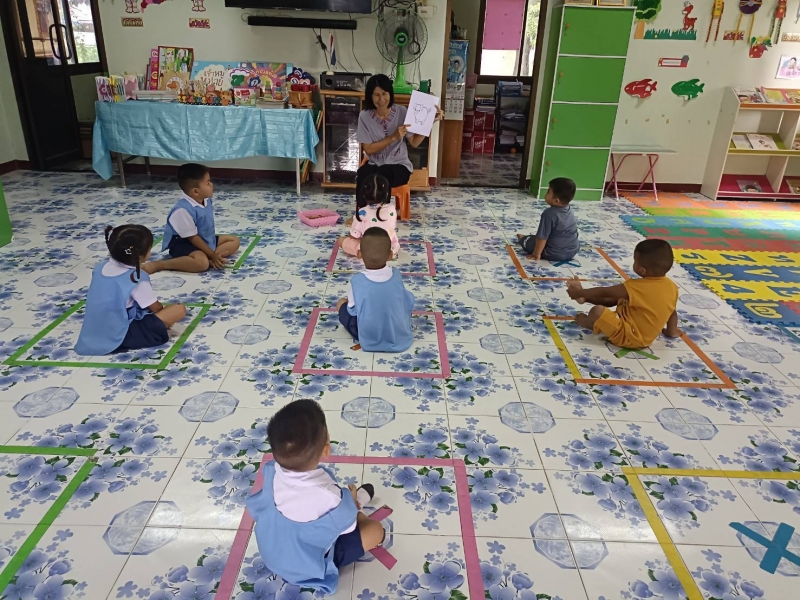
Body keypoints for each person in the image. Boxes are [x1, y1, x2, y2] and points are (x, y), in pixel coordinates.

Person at [246, 399, 384, 593]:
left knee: (340, 512)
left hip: (272, 554)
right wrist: (350, 500)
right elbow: (346, 527)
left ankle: (354, 502)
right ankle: (358, 501)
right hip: (306, 567)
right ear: (326, 449)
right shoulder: (330, 497)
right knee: (375, 530)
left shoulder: (271, 470)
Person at [75, 225, 187, 356]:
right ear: (140, 255)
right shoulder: (135, 278)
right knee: (178, 309)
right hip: (122, 334)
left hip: (94, 330)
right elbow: (156, 308)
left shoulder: (100, 268)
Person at [566, 239, 682, 349]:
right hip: (643, 336)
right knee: (620, 299)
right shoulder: (671, 287)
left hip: (629, 336)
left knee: (597, 311)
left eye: (635, 261)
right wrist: (671, 331)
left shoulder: (637, 286)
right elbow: (672, 312)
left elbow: (606, 292)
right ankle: (584, 298)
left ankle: (589, 323)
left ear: (642, 270)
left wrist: (579, 292)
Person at [144, 163, 240, 274]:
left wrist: (213, 254)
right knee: (201, 264)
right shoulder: (182, 210)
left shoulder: (205, 199)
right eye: (208, 182)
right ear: (195, 191)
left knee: (234, 241)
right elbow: (193, 238)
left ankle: (210, 258)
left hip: (203, 238)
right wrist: (212, 254)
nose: (212, 184)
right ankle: (161, 264)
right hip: (183, 242)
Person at [356, 74, 443, 189]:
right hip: (375, 164)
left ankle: (380, 201)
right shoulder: (364, 116)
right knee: (362, 176)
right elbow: (368, 149)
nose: (381, 99)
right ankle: (365, 202)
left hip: (399, 165)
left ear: (390, 94)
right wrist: (393, 137)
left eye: (384, 94)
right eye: (376, 95)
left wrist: (429, 122)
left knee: (381, 177)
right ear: (370, 96)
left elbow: (414, 142)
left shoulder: (402, 112)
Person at [336, 227, 415, 352]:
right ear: (390, 255)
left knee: (341, 303)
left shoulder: (357, 281)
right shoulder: (396, 275)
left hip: (369, 335)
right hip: (397, 333)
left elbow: (352, 311)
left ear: (359, 254)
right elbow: (404, 301)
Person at [339, 173, 400, 259]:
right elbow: (391, 227)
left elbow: (353, 236)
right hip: (387, 245)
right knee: (393, 241)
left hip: (368, 246)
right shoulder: (392, 209)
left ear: (363, 194)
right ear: (386, 194)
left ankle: (362, 252)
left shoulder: (362, 212)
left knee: (341, 240)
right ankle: (390, 252)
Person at [516, 177, 579, 262]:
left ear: (556, 201)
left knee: (530, 241)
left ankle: (523, 238)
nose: (546, 193)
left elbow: (542, 237)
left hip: (554, 253)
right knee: (539, 238)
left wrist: (536, 253)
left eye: (548, 191)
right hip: (573, 251)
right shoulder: (569, 209)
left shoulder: (549, 214)